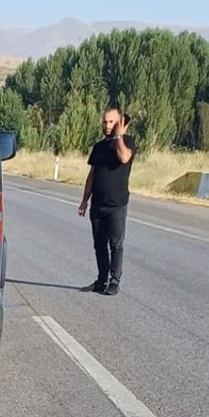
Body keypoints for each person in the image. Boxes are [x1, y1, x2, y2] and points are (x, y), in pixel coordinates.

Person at [78, 107, 136, 296]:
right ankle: (101, 280)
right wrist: (84, 200)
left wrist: (119, 137)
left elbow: (124, 158)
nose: (107, 125)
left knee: (116, 244)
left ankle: (114, 281)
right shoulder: (99, 147)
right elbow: (91, 176)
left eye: (111, 122)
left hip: (116, 205)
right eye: (105, 121)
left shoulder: (127, 143)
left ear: (119, 123)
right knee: (99, 244)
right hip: (97, 204)